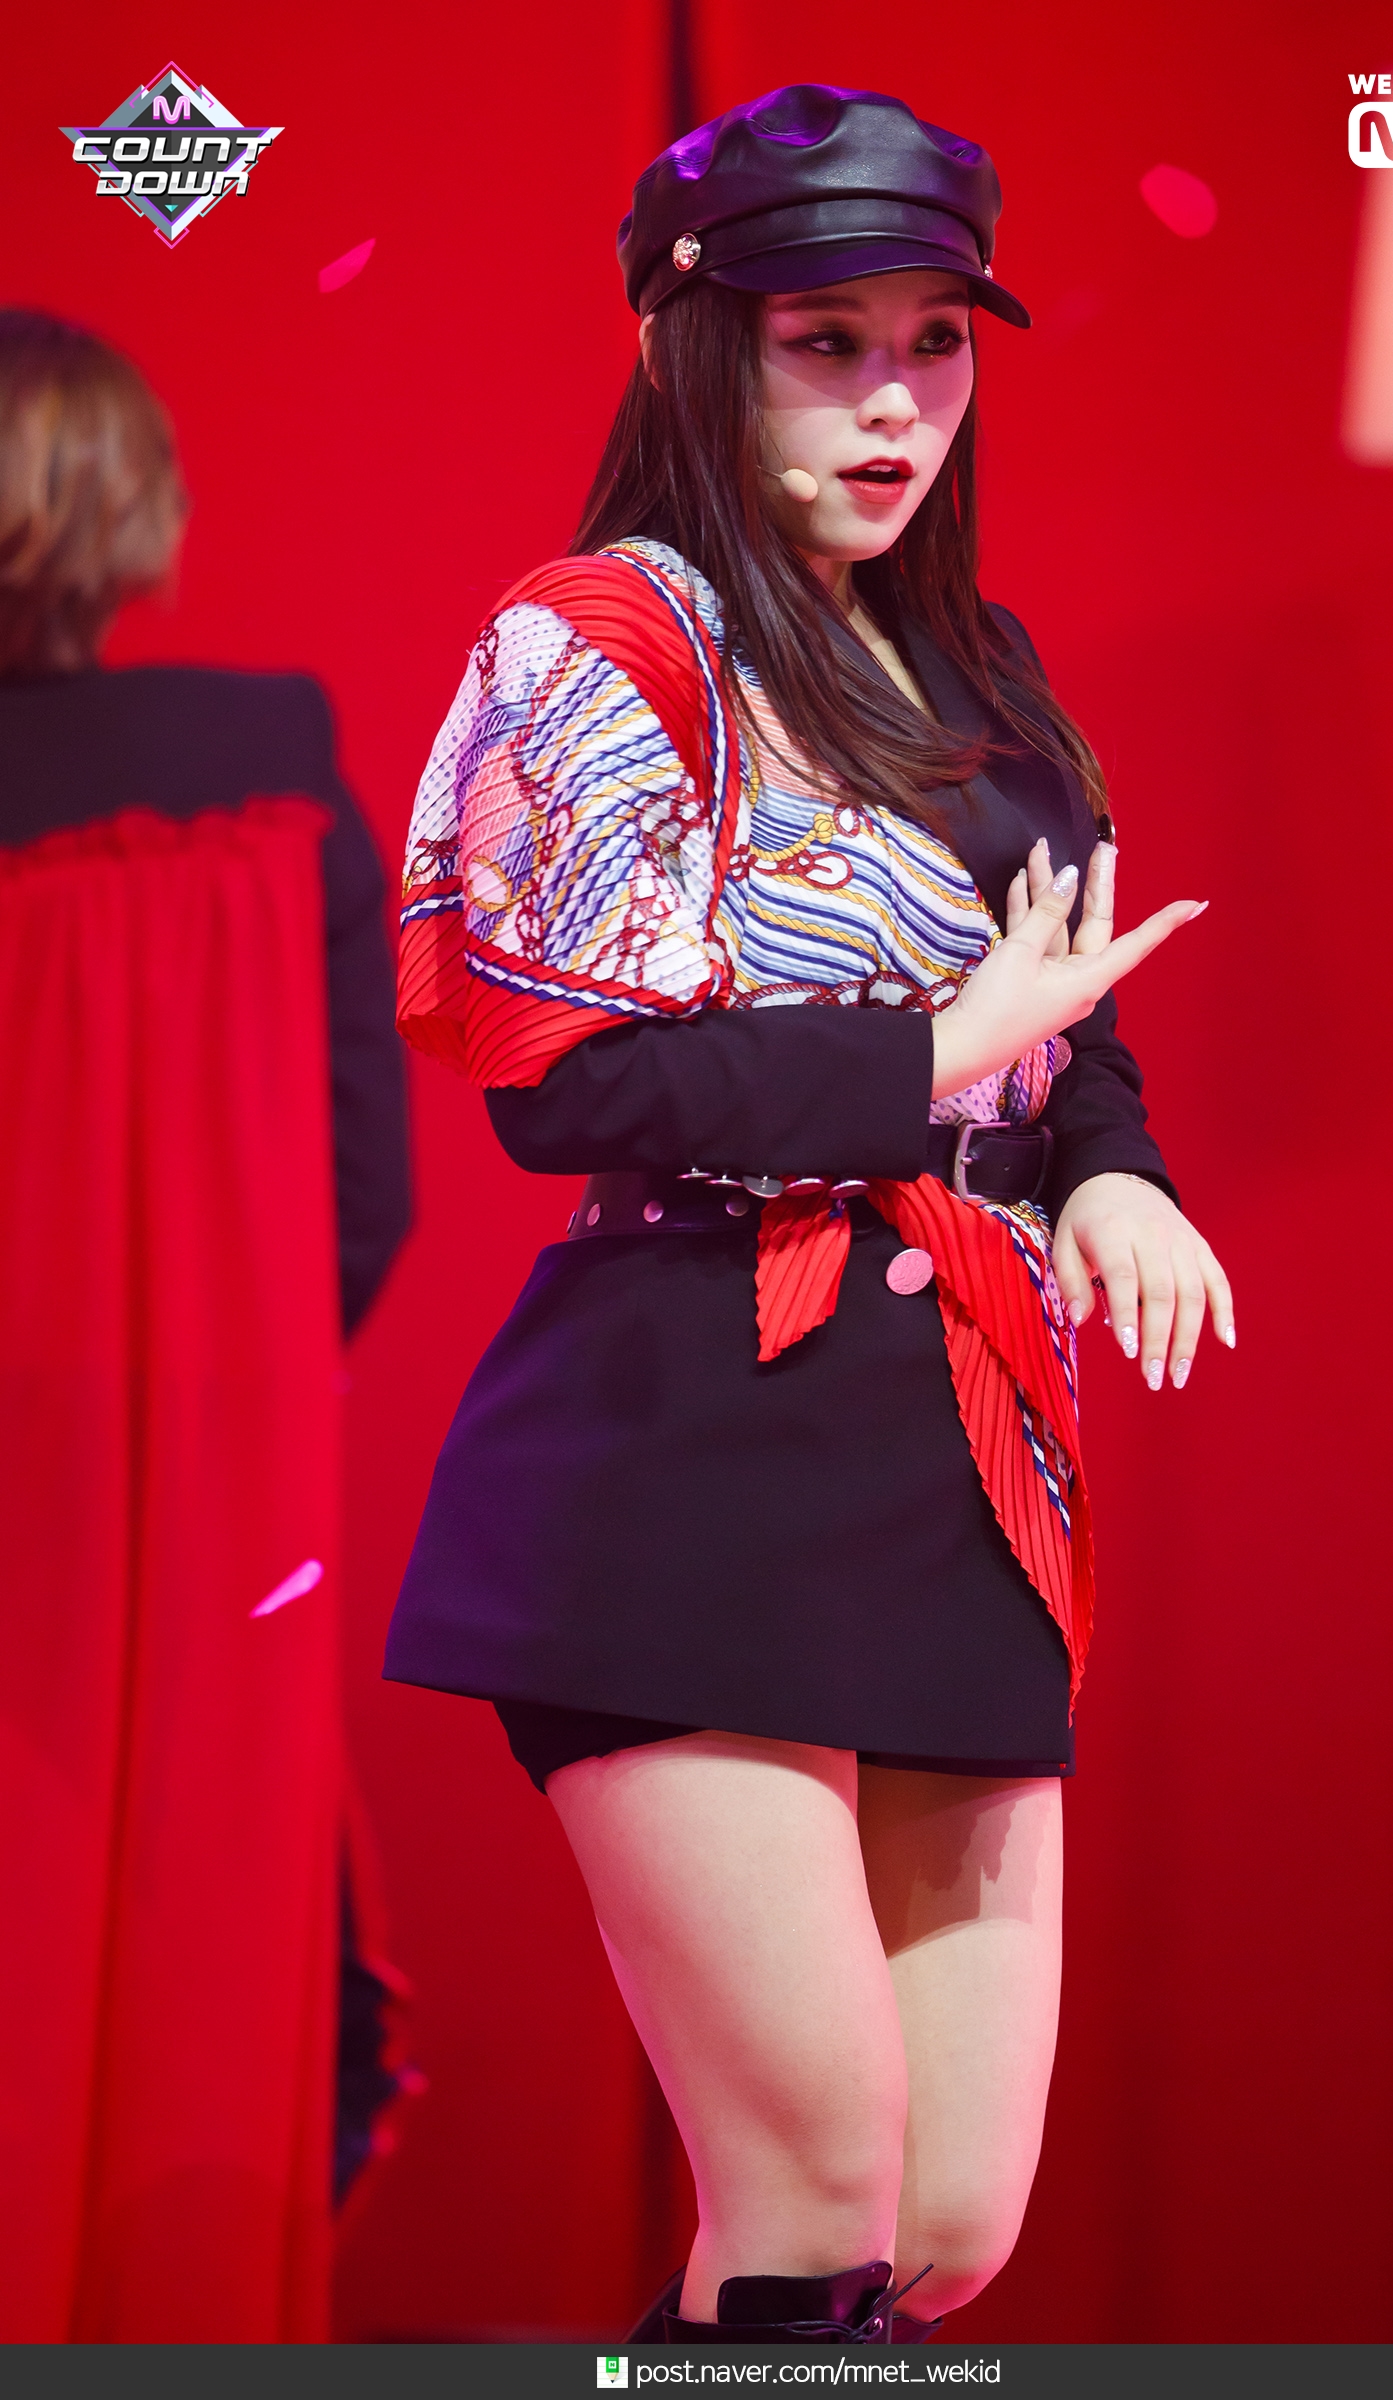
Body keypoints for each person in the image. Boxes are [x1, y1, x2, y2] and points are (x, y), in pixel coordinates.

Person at [386, 87, 1233, 2344]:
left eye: (933, 343)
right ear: (693, 349)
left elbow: (1071, 1033)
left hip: (961, 1447)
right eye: (824, 345)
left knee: (945, 2223)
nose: (892, 404)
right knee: (811, 2198)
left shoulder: (985, 676)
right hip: (690, 1424)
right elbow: (560, 1082)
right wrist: (939, 1051)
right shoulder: (604, 642)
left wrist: (1114, 1171)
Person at [0, 310, 410, 2339]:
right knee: (196, 1941)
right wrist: (209, 1408)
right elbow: (363, 1195)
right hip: (191, 1494)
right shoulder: (266, 761)